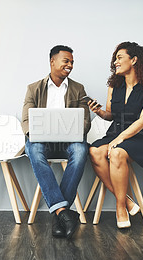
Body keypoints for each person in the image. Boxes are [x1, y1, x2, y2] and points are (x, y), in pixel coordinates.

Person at [88, 41, 143, 229]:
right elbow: (111, 115)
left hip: (137, 138)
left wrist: (120, 139)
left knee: (117, 152)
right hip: (114, 133)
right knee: (95, 151)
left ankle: (120, 207)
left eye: (119, 57)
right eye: (115, 58)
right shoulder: (114, 86)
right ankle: (128, 201)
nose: (115, 62)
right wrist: (99, 112)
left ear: (134, 59)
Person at [22, 45, 91, 238]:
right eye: (66, 61)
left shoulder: (78, 89)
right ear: (52, 61)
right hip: (42, 141)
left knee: (80, 151)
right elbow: (26, 120)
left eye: (72, 62)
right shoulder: (34, 88)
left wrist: (76, 130)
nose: (70, 65)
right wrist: (34, 133)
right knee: (33, 149)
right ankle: (64, 214)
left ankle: (59, 214)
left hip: (68, 141)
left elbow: (86, 121)